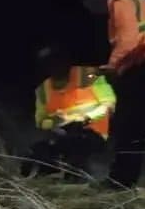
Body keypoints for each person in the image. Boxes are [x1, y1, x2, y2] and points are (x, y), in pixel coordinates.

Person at [80, 0, 145, 189]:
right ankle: (124, 178)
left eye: (90, 6)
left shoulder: (119, 0)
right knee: (136, 127)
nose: (94, 12)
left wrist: (112, 66)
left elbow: (127, 39)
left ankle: (120, 181)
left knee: (129, 124)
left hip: (141, 63)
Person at [21, 51, 115, 180]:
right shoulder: (43, 90)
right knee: (36, 152)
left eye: (57, 62)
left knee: (77, 149)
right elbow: (41, 121)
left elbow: (108, 103)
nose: (55, 67)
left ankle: (86, 176)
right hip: (62, 135)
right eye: (49, 64)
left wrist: (85, 117)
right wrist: (58, 122)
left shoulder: (87, 75)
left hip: (93, 133)